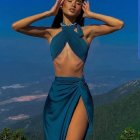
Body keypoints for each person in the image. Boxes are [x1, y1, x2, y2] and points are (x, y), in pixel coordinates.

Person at [12, 0, 124, 139]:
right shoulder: (50, 33)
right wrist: (49, 12)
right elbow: (16, 26)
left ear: (81, 8)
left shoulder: (87, 32)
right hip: (57, 94)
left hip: (78, 91)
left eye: (78, 3)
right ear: (61, 4)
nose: (73, 5)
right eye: (69, 1)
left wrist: (91, 14)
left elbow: (119, 24)